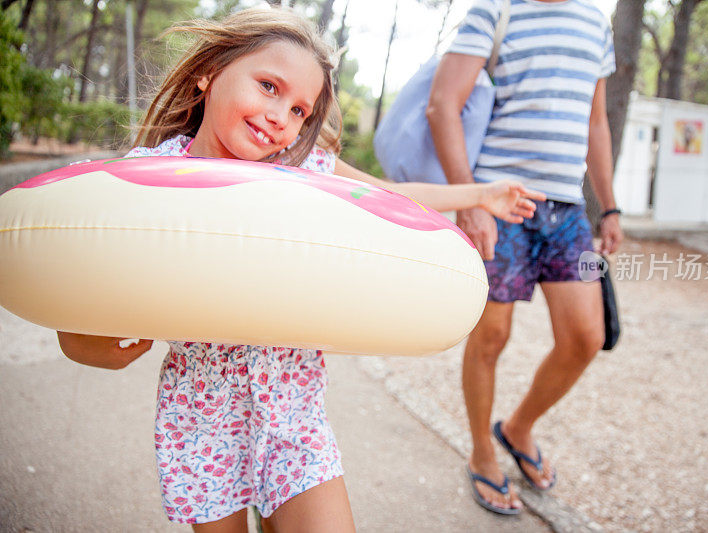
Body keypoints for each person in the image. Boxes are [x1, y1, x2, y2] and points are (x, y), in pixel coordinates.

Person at [56, 7, 545, 532]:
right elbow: (82, 310)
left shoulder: (300, 172)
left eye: (297, 110)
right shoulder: (150, 177)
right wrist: (94, 344)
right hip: (201, 419)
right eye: (268, 87)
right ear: (208, 72)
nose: (280, 118)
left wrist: (481, 193)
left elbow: (392, 197)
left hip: (294, 416)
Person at [426, 0, 624, 515]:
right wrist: (470, 200)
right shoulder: (494, 11)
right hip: (501, 203)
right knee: (490, 337)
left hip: (569, 213)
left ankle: (517, 427)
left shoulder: (595, 22)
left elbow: (596, 122)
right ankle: (482, 451)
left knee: (586, 336)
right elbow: (443, 105)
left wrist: (611, 206)